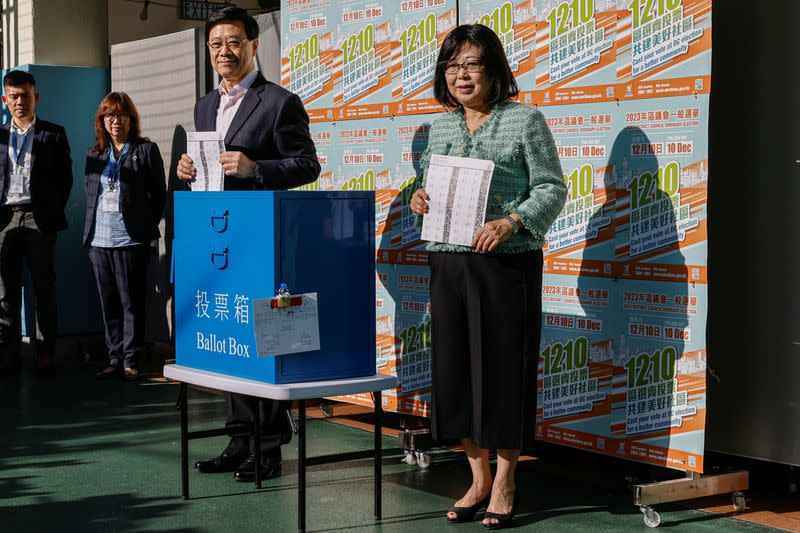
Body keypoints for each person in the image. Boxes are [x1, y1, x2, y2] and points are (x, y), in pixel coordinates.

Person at [410, 25, 567, 528]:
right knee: (455, 372)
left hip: (505, 265)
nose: (461, 75)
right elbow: (425, 189)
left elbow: (551, 187)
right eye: (452, 66)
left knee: (502, 373)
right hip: (449, 262)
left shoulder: (524, 121)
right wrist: (418, 202)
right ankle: (476, 479)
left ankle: (505, 482)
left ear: (493, 69)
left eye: (472, 64)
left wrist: (512, 221)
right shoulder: (440, 128)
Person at [176, 6, 320, 483]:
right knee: (232, 338)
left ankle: (270, 447)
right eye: (215, 44)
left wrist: (255, 169)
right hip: (220, 238)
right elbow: (206, 166)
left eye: (233, 41)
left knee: (264, 338)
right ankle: (240, 438)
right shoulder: (203, 105)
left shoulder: (279, 102)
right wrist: (187, 171)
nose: (224, 51)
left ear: (254, 44)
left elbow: (307, 165)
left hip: (266, 239)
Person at [83, 92, 166, 381]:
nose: (115, 121)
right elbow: (91, 194)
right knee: (109, 304)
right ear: (102, 121)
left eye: (121, 115)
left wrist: (143, 226)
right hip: (99, 242)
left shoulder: (145, 150)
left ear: (131, 119)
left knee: (131, 302)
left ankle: (131, 359)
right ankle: (113, 358)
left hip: (130, 241)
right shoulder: (95, 154)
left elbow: (159, 196)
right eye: (109, 116)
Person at [0, 70, 73, 374]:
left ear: (36, 97)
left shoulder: (53, 133)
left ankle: (45, 352)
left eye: (25, 95)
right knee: (5, 290)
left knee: (44, 289)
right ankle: (8, 351)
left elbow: (65, 180)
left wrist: (49, 210)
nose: (20, 101)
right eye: (14, 96)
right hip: (4, 219)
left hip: (38, 218)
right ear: (5, 100)